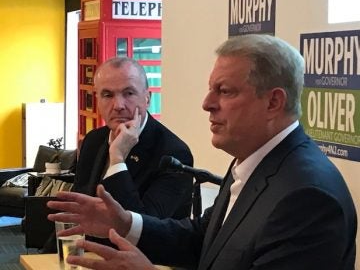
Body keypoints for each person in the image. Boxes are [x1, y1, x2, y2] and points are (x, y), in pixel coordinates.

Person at [48, 34, 357, 270]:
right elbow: (203, 240)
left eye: (224, 91)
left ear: (273, 102)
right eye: (212, 89)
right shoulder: (253, 164)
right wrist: (126, 223)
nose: (207, 103)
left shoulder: (307, 197)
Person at [42, 56, 194, 252]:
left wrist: (117, 160)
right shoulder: (93, 141)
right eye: (107, 95)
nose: (118, 105)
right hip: (90, 255)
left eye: (128, 93)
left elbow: (145, 230)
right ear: (97, 100)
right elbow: (79, 210)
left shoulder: (173, 153)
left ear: (148, 98)